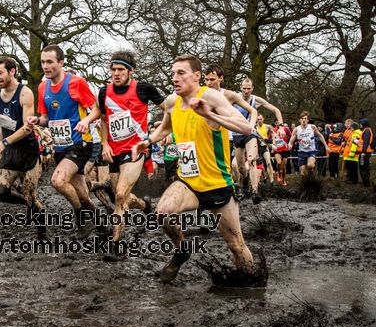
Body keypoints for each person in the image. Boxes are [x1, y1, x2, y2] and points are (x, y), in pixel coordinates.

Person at [132, 54, 258, 284]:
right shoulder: (172, 102)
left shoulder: (209, 96)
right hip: (188, 180)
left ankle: (253, 286)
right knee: (163, 212)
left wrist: (209, 114)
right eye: (172, 74)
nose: (174, 78)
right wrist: (148, 141)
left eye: (181, 73)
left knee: (236, 245)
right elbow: (166, 127)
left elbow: (246, 127)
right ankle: (182, 248)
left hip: (217, 183)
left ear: (197, 76)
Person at [27, 44, 101, 238]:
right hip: (60, 145)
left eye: (50, 62)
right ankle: (101, 223)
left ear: (61, 62)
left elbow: (96, 109)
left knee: (58, 181)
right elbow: (45, 117)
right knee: (82, 194)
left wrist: (85, 120)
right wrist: (37, 120)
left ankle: (81, 217)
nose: (45, 66)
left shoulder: (76, 82)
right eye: (43, 62)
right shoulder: (43, 87)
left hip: (80, 142)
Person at [98, 50, 164, 247]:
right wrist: (105, 143)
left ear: (131, 71)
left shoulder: (143, 89)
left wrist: (157, 135)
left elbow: (168, 111)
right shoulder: (104, 92)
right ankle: (145, 205)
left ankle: (116, 243)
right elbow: (103, 119)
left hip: (136, 150)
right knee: (122, 196)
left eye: (120, 69)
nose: (115, 73)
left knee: (119, 195)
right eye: (113, 70)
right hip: (114, 151)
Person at [0, 56, 46, 238]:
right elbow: (3, 124)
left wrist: (3, 143)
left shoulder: (25, 93)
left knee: (30, 195)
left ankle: (42, 232)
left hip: (28, 151)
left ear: (12, 72)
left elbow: (28, 128)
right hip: (10, 149)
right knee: (1, 192)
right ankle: (33, 207)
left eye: (0, 72)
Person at [232, 78, 283, 203]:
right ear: (240, 87)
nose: (246, 91)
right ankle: (244, 181)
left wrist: (281, 126)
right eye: (244, 88)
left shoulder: (256, 100)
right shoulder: (234, 98)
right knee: (240, 167)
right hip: (237, 134)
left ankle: (255, 192)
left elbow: (276, 110)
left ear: (252, 88)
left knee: (252, 160)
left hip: (251, 133)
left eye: (249, 88)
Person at [288, 111, 328, 178]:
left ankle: (312, 176)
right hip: (301, 152)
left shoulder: (312, 127)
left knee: (310, 165)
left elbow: (320, 136)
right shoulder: (296, 129)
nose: (304, 120)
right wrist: (290, 144)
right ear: (299, 120)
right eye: (302, 118)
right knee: (302, 172)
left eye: (305, 118)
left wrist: (326, 146)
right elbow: (292, 139)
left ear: (308, 120)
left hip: (311, 151)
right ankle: (305, 183)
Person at [255, 114, 275, 185]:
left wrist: (273, 142)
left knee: (268, 162)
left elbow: (273, 133)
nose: (259, 121)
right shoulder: (255, 127)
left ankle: (272, 180)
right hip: (257, 148)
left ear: (263, 119)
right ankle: (264, 178)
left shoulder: (267, 126)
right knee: (261, 166)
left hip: (265, 147)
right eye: (258, 119)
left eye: (260, 119)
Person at [358, 118, 373, 186]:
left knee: (364, 168)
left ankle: (366, 184)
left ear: (363, 124)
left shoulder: (366, 131)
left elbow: (366, 142)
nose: (360, 125)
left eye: (360, 124)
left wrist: (363, 152)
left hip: (364, 153)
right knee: (363, 167)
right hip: (365, 152)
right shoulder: (366, 130)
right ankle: (365, 183)